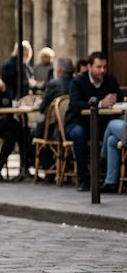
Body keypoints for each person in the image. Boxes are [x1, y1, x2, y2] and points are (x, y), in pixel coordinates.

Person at [65, 51, 124, 191]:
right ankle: (83, 179)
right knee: (79, 134)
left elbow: (119, 97)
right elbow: (75, 105)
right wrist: (100, 104)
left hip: (101, 123)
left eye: (104, 67)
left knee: (111, 136)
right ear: (89, 67)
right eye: (99, 67)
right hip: (78, 121)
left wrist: (114, 99)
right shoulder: (78, 81)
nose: (102, 70)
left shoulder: (110, 80)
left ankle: (106, 176)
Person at [32, 57, 73, 140]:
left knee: (34, 132)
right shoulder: (77, 83)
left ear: (59, 71)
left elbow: (42, 107)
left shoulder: (54, 84)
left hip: (54, 128)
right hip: (72, 124)